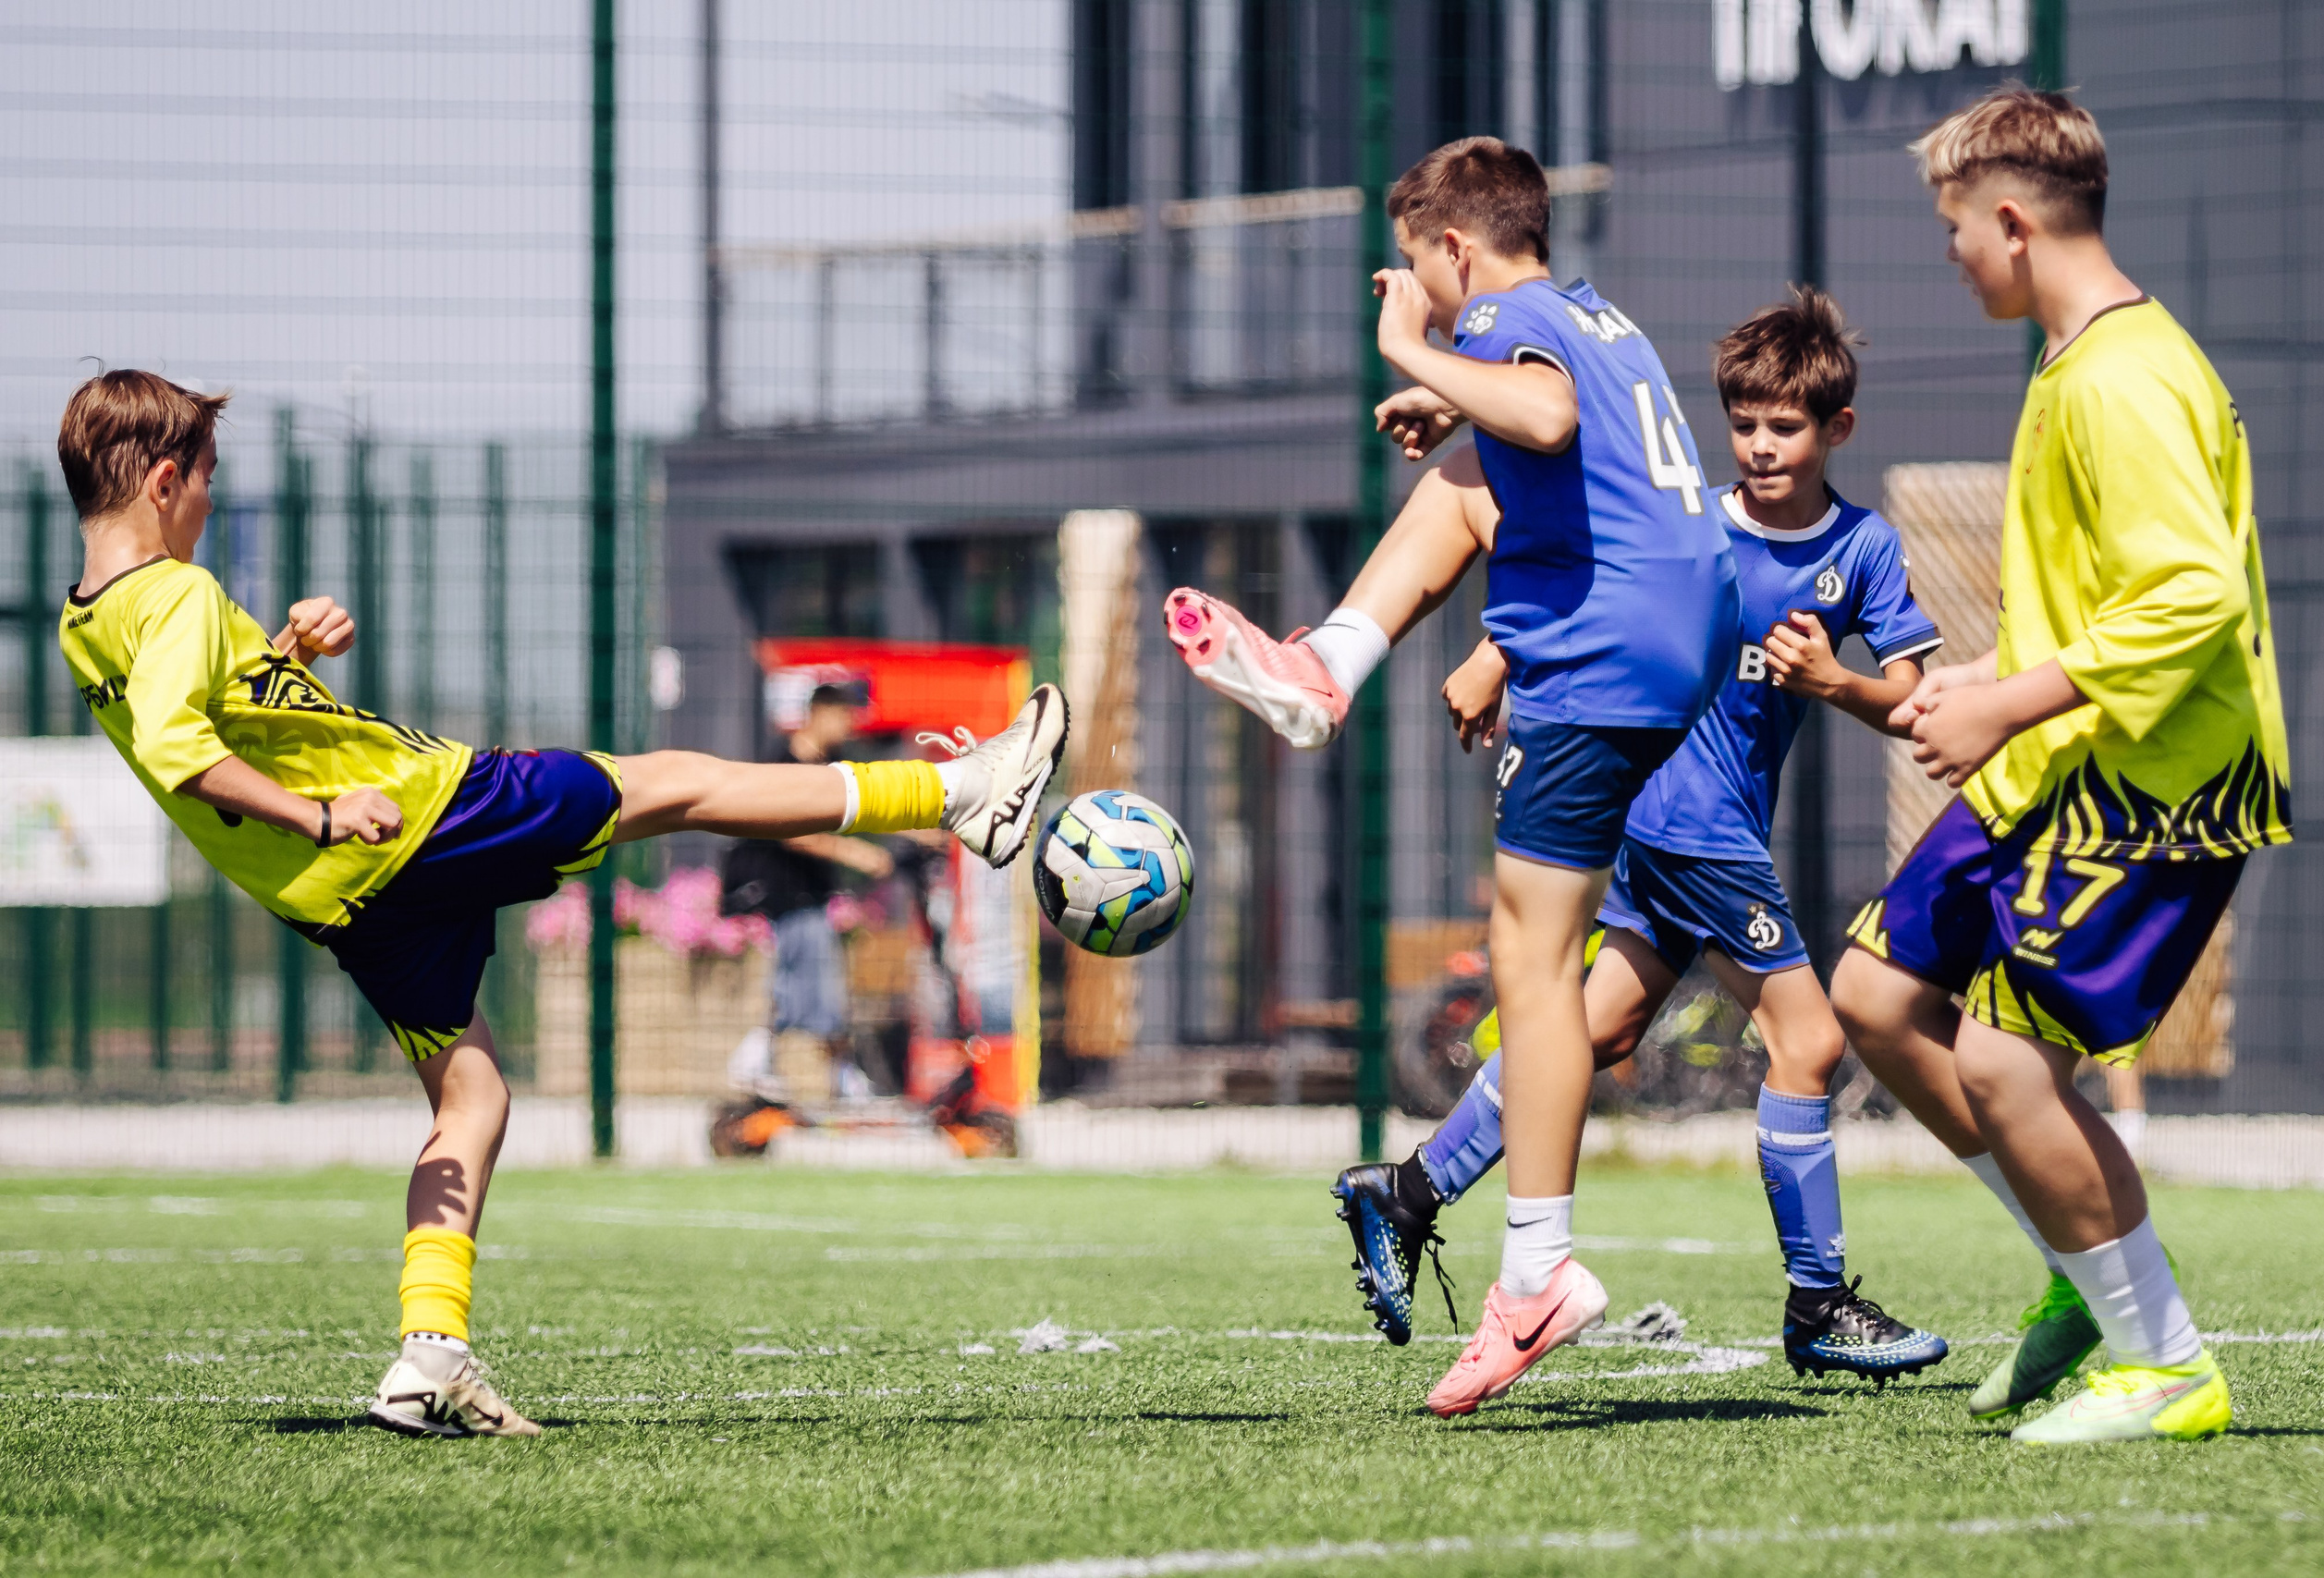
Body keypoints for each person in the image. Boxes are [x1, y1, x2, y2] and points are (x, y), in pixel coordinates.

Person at [53, 371, 1069, 1437]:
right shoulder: (177, 594)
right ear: (164, 481)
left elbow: (215, 718)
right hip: (421, 814)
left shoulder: (91, 620)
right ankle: (959, 794)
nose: (209, 502)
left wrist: (287, 655)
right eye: (207, 480)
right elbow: (184, 754)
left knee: (472, 1096)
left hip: (342, 899)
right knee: (676, 784)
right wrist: (322, 813)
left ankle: (429, 1356)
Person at [1161, 137, 1738, 1416]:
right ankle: (1330, 661)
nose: (1415, 284)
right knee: (1464, 478)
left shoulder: (1496, 317)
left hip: (1602, 653)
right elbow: (1554, 439)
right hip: (1679, 634)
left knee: (1532, 964)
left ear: (1457, 250)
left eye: (1417, 263)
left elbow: (1548, 417)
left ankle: (1535, 1273)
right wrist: (1457, 405)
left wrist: (1410, 347)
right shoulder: (1591, 314)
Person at [1334, 287, 1949, 1385]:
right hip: (1682, 816)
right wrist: (1496, 652)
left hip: (1706, 825)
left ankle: (1407, 1191)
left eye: (1785, 426)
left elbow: (1911, 696)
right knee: (1808, 1042)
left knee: (1596, 1030)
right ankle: (1818, 1303)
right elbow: (1592, 578)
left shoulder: (1861, 548)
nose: (1760, 446)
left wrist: (1834, 682)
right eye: (1744, 424)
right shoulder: (1691, 523)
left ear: (1837, 428)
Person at [1829, 88, 2288, 1444]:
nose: (1952, 255)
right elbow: (2105, 599)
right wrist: (1984, 679)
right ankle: (2085, 1265)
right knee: (1874, 997)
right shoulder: (2074, 358)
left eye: (1954, 230)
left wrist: (2009, 703)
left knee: (2006, 1066)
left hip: (2154, 785)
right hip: (2067, 755)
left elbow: (2192, 597)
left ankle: (2165, 1364)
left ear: (2012, 221)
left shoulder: (2124, 378)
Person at [721, 682, 895, 1104]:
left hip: (810, 896)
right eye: (845, 716)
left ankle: (830, 1074)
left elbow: (871, 808)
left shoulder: (831, 767)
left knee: (811, 985)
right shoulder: (785, 765)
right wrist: (857, 854)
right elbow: (793, 833)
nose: (849, 727)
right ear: (820, 713)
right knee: (802, 987)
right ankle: (764, 1062)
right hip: (783, 895)